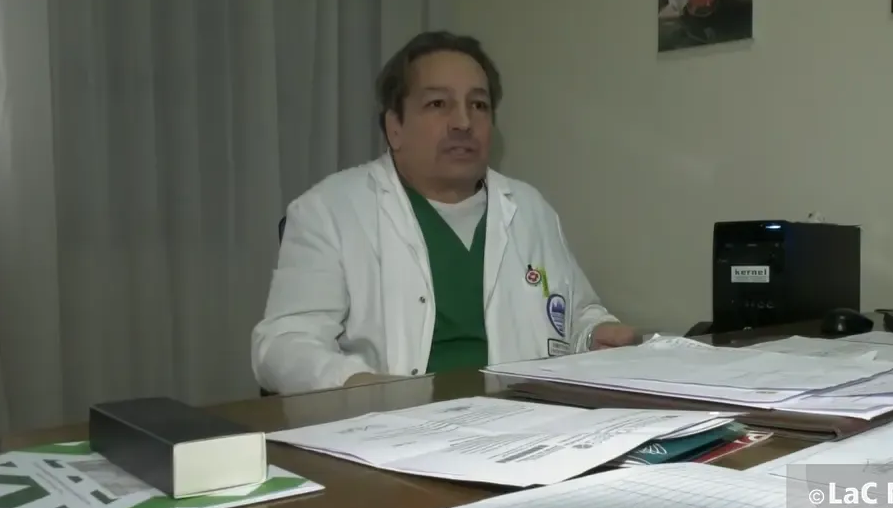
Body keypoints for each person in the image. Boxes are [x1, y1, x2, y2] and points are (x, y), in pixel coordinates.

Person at [251, 31, 637, 395]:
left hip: (527, 422)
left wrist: (595, 333)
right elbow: (282, 344)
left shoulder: (529, 208)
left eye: (478, 105)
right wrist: (356, 384)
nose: (463, 123)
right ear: (394, 126)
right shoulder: (329, 210)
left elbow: (576, 312)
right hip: (392, 426)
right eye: (438, 104)